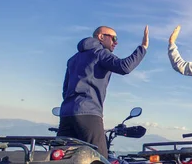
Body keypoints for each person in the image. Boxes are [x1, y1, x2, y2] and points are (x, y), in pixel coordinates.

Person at [57, 25, 149, 156]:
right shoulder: (99, 53)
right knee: (100, 161)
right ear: (101, 37)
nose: (116, 42)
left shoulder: (73, 59)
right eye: (113, 38)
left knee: (62, 160)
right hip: (88, 113)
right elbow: (124, 67)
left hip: (66, 113)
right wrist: (143, 47)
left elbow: (65, 89)